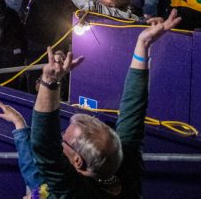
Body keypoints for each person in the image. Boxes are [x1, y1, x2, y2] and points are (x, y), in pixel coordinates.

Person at [30, 10, 181, 198]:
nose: (60, 139)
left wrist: (49, 82)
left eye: (63, 139)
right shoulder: (124, 168)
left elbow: (45, 149)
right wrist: (143, 44)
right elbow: (133, 109)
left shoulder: (77, 192)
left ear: (78, 161)